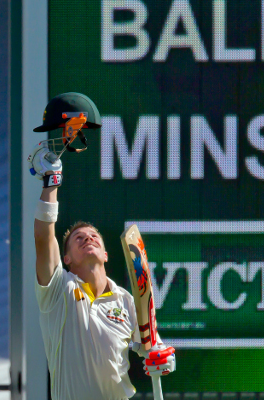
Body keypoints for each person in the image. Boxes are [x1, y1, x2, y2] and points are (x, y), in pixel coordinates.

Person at [28, 92, 175, 400]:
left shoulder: (125, 300)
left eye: (94, 236)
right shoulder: (58, 292)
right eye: (78, 239)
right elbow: (44, 237)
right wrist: (51, 184)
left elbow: (152, 346)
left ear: (106, 254)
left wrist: (162, 357)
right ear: (66, 259)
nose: (88, 238)